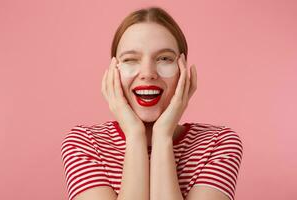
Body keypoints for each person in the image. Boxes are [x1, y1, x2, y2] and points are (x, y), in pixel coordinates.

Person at [60, 6, 243, 200]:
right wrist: (134, 134)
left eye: (164, 58)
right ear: (114, 71)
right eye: (131, 59)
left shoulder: (217, 144)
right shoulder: (84, 144)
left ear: (183, 71)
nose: (148, 73)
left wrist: (163, 137)